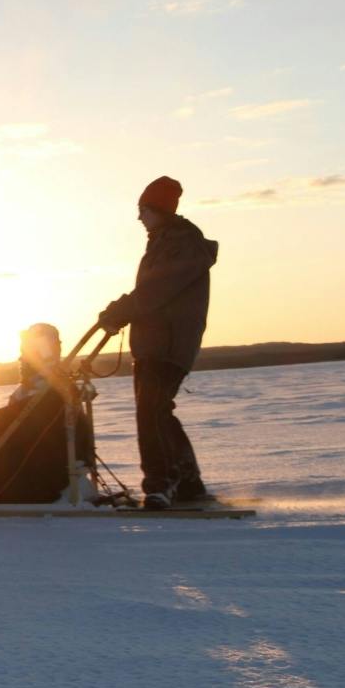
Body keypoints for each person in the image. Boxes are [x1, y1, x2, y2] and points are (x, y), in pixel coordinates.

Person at [97, 176, 218, 509]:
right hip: (157, 342)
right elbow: (153, 291)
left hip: (168, 344)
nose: (139, 218)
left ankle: (162, 485)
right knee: (158, 412)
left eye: (142, 210)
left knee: (151, 413)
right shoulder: (165, 242)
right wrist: (120, 310)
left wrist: (122, 309)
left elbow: (156, 291)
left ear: (158, 210)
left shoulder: (182, 244)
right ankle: (188, 482)